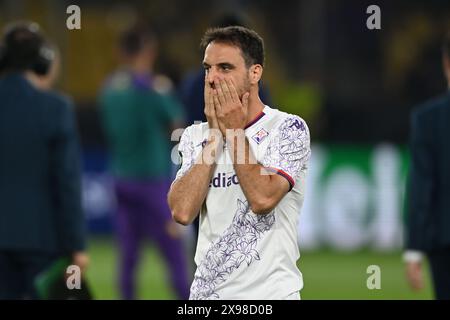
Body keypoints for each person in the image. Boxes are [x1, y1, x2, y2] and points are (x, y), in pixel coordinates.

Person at [168, 26, 311, 300]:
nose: (212, 79)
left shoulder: (288, 129)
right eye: (208, 68)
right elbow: (182, 212)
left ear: (255, 72)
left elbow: (262, 198)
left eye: (225, 68)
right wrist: (214, 137)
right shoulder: (194, 136)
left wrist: (233, 133)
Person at [99, 24, 190, 300]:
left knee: (128, 256)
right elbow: (177, 127)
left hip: (121, 178)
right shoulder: (154, 88)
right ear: (148, 52)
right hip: (152, 181)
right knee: (174, 253)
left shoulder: (109, 89)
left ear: (120, 52)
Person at [0, 21, 88, 299]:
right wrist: (76, 246)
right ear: (43, 60)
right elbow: (67, 182)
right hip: (42, 242)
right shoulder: (56, 108)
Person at [404, 31, 450, 300]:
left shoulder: (427, 118)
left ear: (446, 63)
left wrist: (413, 250)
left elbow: (422, 187)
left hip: (444, 239)